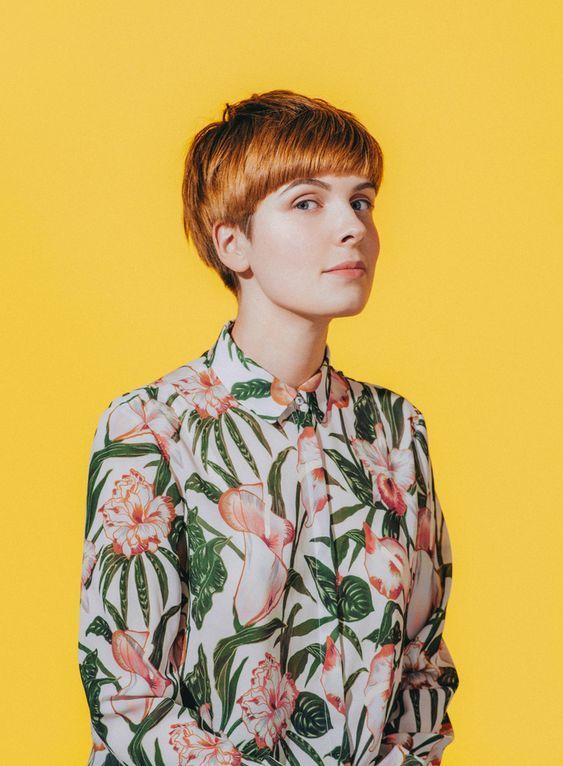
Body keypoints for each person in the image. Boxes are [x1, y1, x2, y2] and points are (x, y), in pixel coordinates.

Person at [78, 89, 459, 766]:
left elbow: (422, 663)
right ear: (233, 243)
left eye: (361, 200)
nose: (352, 227)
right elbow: (129, 691)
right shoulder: (152, 426)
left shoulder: (396, 430)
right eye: (307, 201)